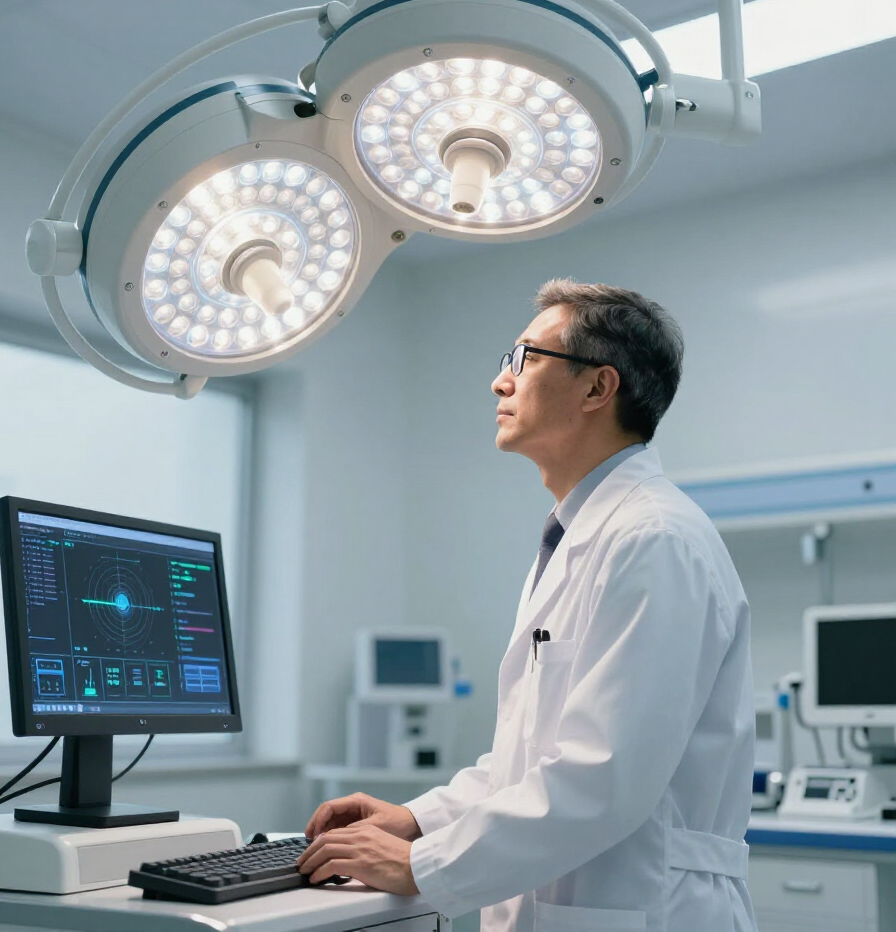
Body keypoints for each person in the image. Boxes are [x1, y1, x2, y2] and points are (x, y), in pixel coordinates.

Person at [298, 279, 756, 932]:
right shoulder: (580, 536)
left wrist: (423, 865)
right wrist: (418, 820)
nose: (499, 381)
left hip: (647, 907)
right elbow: (529, 762)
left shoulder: (653, 539)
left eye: (525, 358)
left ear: (597, 388)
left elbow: (604, 777)